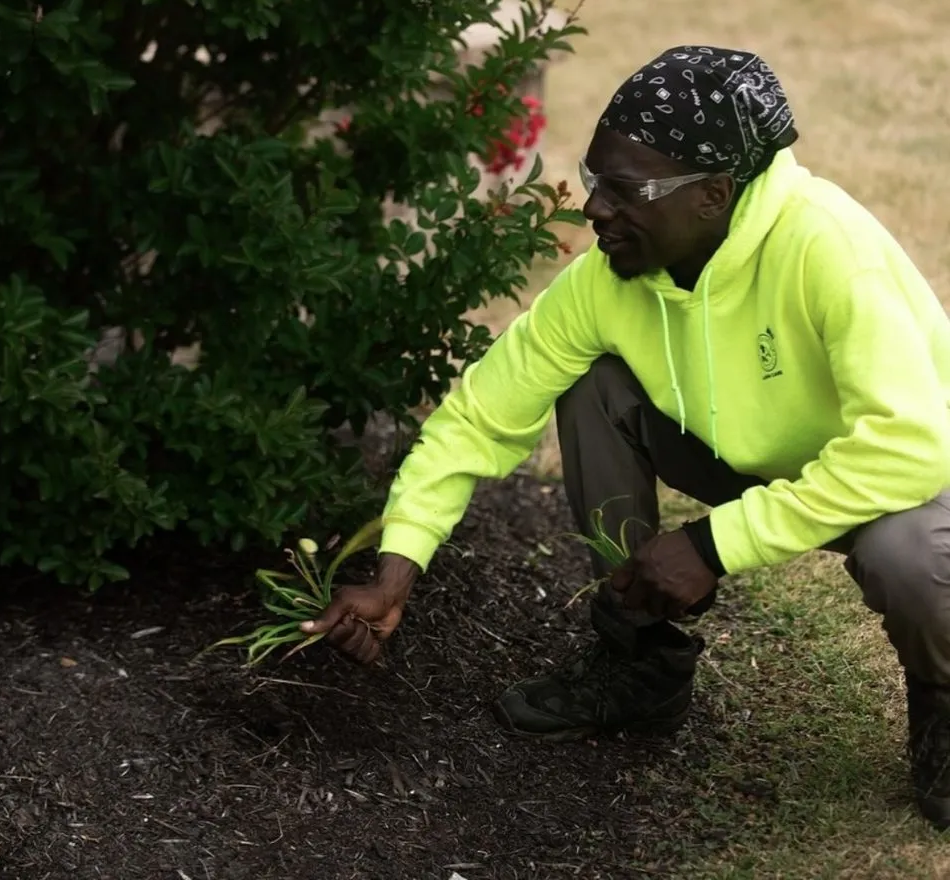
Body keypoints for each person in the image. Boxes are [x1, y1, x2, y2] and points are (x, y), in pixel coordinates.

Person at [301, 45, 950, 830]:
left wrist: (712, 546)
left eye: (626, 189)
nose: (595, 209)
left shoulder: (828, 249)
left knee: (909, 559)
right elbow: (479, 416)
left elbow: (909, 448)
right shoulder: (608, 280)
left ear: (714, 195)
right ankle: (639, 661)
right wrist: (396, 566)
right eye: (594, 177)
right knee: (590, 383)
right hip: (752, 456)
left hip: (908, 480)